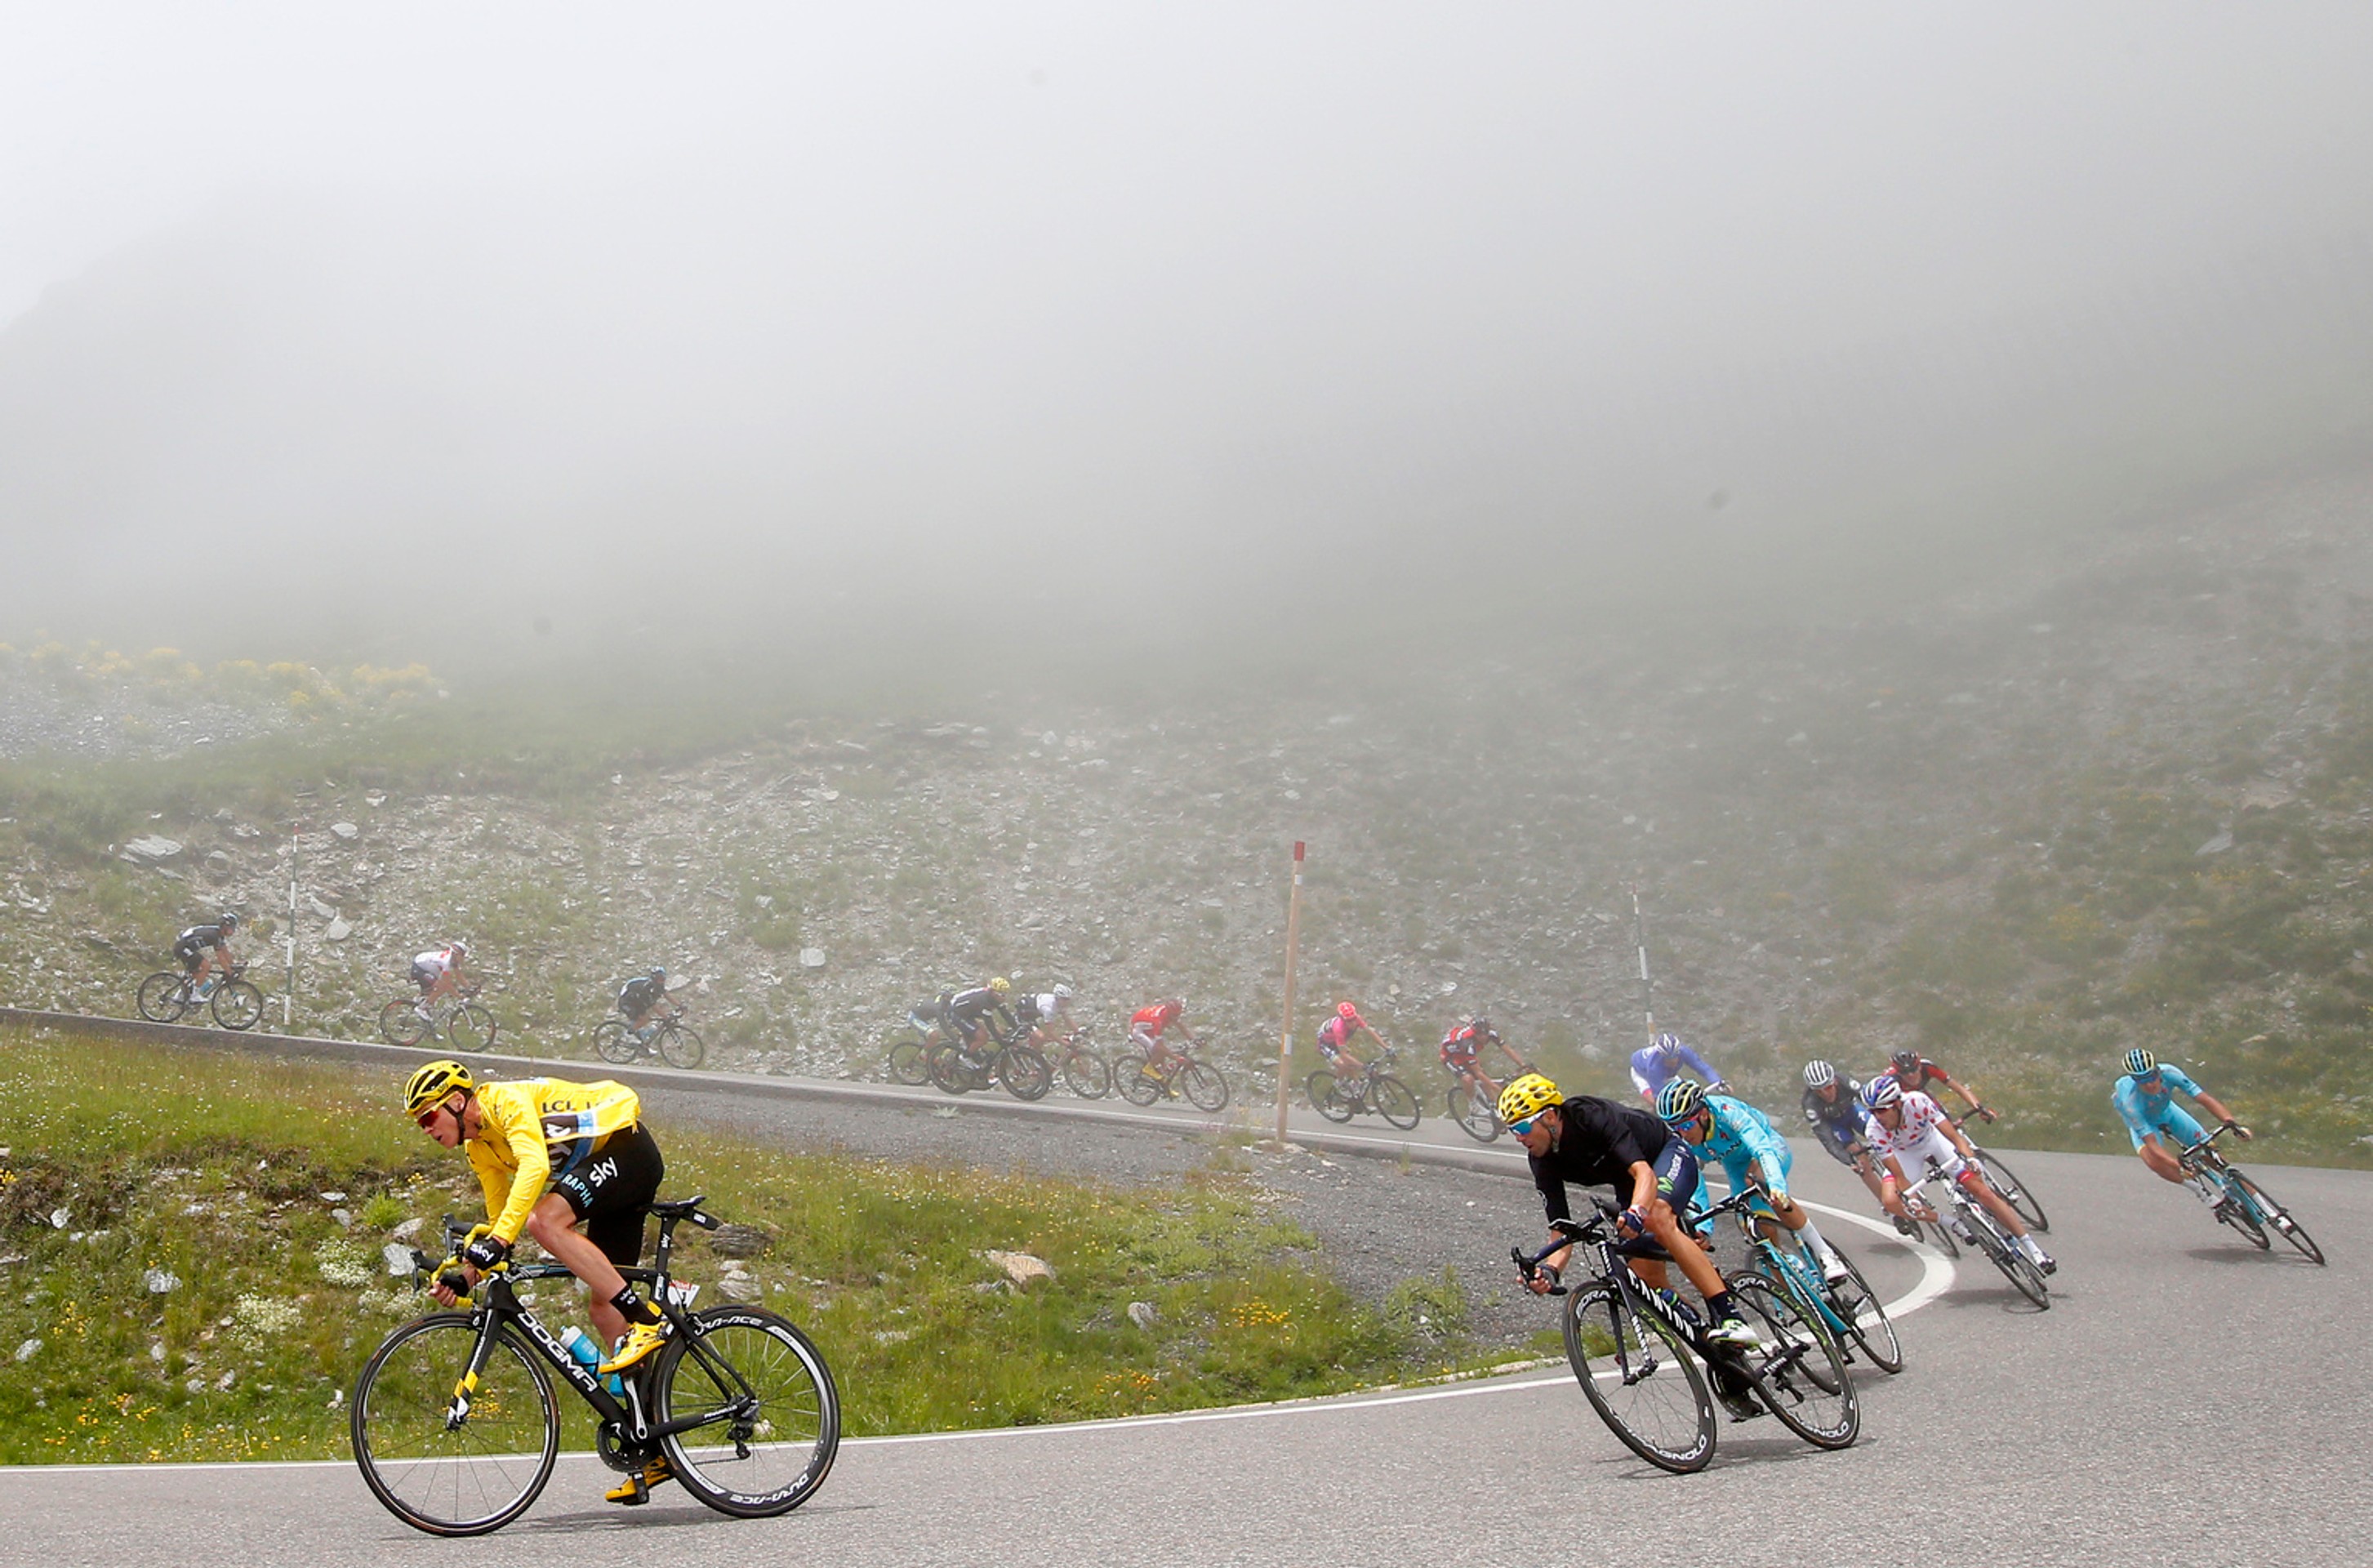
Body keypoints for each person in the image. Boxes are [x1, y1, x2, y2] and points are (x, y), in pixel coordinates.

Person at [403, 1059, 675, 1505]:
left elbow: (531, 1168)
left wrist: (501, 1239)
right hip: (602, 1176)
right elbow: (498, 1228)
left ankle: (645, 1320)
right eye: (419, 1123)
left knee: (545, 1222)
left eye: (428, 1116)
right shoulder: (479, 1149)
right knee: (603, 1307)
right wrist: (467, 1276)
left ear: (456, 1101)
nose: (426, 1129)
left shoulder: (503, 1102)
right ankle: (654, 1441)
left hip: (627, 1150)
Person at [1499, 1072, 1760, 1349]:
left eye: (1523, 1128)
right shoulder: (1542, 1160)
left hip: (1662, 1155)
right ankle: (1712, 1346)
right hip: (1627, 1182)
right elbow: (1561, 1229)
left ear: (1550, 1117)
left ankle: (1732, 1317)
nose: (1518, 1138)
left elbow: (1644, 1173)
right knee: (1645, 1279)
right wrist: (1549, 1271)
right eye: (1512, 1131)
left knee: (1657, 1216)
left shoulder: (1591, 1117)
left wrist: (1637, 1212)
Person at [1659, 1080, 1849, 1284]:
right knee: (1752, 1228)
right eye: (1675, 1128)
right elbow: (1693, 1181)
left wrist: (1776, 1187)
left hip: (1767, 1147)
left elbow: (1762, 1149)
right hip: (1735, 1165)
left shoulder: (1726, 1112)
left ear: (1703, 1115)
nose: (1682, 1134)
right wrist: (1704, 1227)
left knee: (1762, 1185)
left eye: (1686, 1125)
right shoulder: (1682, 1139)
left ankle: (1826, 1255)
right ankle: (1795, 1279)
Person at [1859, 1076, 2053, 1273]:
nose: (1878, 1116)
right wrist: (1912, 1198)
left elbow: (1953, 1136)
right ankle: (1952, 1223)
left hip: (1933, 1141)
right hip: (1904, 1154)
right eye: (1872, 1111)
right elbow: (1899, 1176)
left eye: (1882, 1110)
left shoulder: (1918, 1102)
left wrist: (1971, 1159)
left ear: (1898, 1103)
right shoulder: (1874, 1130)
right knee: (1891, 1201)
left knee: (1983, 1192)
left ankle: (2034, 1250)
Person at [2113, 1049, 2251, 1204]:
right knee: (2154, 1162)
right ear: (2134, 1080)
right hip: (2143, 1121)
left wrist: (2232, 1123)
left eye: (2152, 1076)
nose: (2150, 1084)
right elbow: (2152, 1143)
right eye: (2142, 1080)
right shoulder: (2129, 1101)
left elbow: (2204, 1099)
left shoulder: (2170, 1073)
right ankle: (2201, 1192)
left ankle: (2269, 1210)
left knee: (2210, 1153)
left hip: (2167, 1112)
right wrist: (2179, 1165)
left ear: (2157, 1071)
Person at [1800, 1060, 1890, 1212]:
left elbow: (1869, 1098)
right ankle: (1886, 1203)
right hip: (1835, 1126)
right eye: (1819, 1091)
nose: (1825, 1093)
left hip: (1852, 1112)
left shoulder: (1844, 1081)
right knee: (1860, 1161)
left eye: (1828, 1087)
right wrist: (1849, 1161)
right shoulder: (1810, 1103)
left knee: (1877, 1132)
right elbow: (1828, 1140)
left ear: (1834, 1081)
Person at [1879, 1048, 1991, 1123]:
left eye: (1914, 1070)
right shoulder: (1889, 1081)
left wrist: (1980, 1108)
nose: (1911, 1075)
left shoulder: (1928, 1067)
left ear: (1920, 1066)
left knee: (1947, 1124)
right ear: (1897, 1072)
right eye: (1904, 1072)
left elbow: (1958, 1088)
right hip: (1902, 1104)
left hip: (1922, 1094)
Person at [1440, 1015, 1529, 1109]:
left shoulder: (1492, 1034)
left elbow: (1507, 1050)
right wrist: (1496, 1088)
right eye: (1479, 1034)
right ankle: (1473, 1106)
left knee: (1485, 1083)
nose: (1483, 1037)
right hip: (1450, 1057)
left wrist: (1523, 1065)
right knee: (1468, 1078)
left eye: (1485, 1033)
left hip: (1466, 1055)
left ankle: (1496, 1108)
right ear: (1474, 1033)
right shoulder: (1467, 1043)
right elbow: (1478, 1073)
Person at [1627, 1031, 1723, 1104]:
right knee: (1657, 1104)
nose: (1673, 1061)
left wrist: (1719, 1083)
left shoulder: (1684, 1052)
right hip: (1641, 1074)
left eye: (1675, 1057)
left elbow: (1704, 1069)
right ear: (1662, 1056)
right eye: (1668, 1059)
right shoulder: (1654, 1068)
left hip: (1667, 1074)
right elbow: (1659, 1096)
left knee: (1684, 1093)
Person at [171, 911, 241, 998]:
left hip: (186, 947)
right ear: (225, 926)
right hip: (182, 947)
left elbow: (225, 952)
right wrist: (229, 971)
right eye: (232, 927)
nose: (233, 930)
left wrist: (234, 965)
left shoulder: (219, 935)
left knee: (198, 975)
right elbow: (220, 958)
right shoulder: (214, 935)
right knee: (206, 966)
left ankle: (181, 995)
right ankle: (194, 996)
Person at [944, 977, 1017, 1058]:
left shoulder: (995, 998)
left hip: (968, 1013)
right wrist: (1000, 1041)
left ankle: (974, 1053)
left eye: (1006, 994)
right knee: (983, 1037)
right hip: (956, 1013)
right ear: (993, 992)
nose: (1004, 997)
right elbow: (990, 1025)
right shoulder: (984, 1001)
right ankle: (965, 1058)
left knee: (994, 1033)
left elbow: (1006, 1014)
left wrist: (1017, 1028)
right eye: (1002, 994)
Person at [1127, 996, 1198, 1080]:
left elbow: (1180, 1025)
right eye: (1175, 1015)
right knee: (1160, 1051)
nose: (1176, 1017)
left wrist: (1193, 1039)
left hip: (1148, 1026)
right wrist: (1176, 1058)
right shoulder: (1158, 1021)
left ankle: (1164, 1084)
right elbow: (1159, 1046)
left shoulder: (1170, 1013)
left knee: (1163, 1055)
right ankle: (1148, 1069)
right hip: (1139, 1031)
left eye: (1178, 1014)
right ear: (1169, 1012)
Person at [1316, 1002, 1385, 1085]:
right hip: (1326, 1044)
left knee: (1350, 1063)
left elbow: (1371, 1032)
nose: (1353, 1023)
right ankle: (1339, 1084)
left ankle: (1357, 1084)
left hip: (1337, 1040)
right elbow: (1344, 1056)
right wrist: (1364, 1067)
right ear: (1343, 1020)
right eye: (1349, 1021)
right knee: (1343, 1065)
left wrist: (1387, 1048)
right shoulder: (1339, 1029)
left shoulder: (1357, 1019)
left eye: (1354, 1019)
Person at [410, 939, 470, 1022]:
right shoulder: (446, 962)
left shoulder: (454, 959)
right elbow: (447, 985)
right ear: (456, 955)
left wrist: (469, 987)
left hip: (426, 966)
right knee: (440, 988)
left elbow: (459, 975)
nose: (463, 959)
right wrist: (459, 996)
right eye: (462, 956)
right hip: (419, 967)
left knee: (435, 990)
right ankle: (422, 1008)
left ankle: (422, 1000)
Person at [617, 966, 675, 1044]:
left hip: (636, 1000)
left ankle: (642, 1044)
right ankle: (628, 1035)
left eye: (663, 978)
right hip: (626, 1001)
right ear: (654, 979)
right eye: (660, 978)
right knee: (644, 1018)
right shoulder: (646, 987)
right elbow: (654, 1006)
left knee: (646, 1019)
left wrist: (680, 1005)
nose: (662, 981)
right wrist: (665, 1017)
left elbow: (666, 995)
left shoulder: (658, 984)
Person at [1014, 983, 1077, 1047]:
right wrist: (1066, 1044)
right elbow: (1051, 1032)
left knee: (1045, 1038)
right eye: (1065, 999)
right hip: (1023, 1015)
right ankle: (1034, 1055)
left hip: (1031, 1013)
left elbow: (1067, 1019)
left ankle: (1034, 1050)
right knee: (1041, 1037)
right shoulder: (1049, 1009)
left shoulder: (1059, 1003)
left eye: (1068, 999)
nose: (1067, 1002)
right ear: (1058, 998)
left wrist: (1077, 1031)